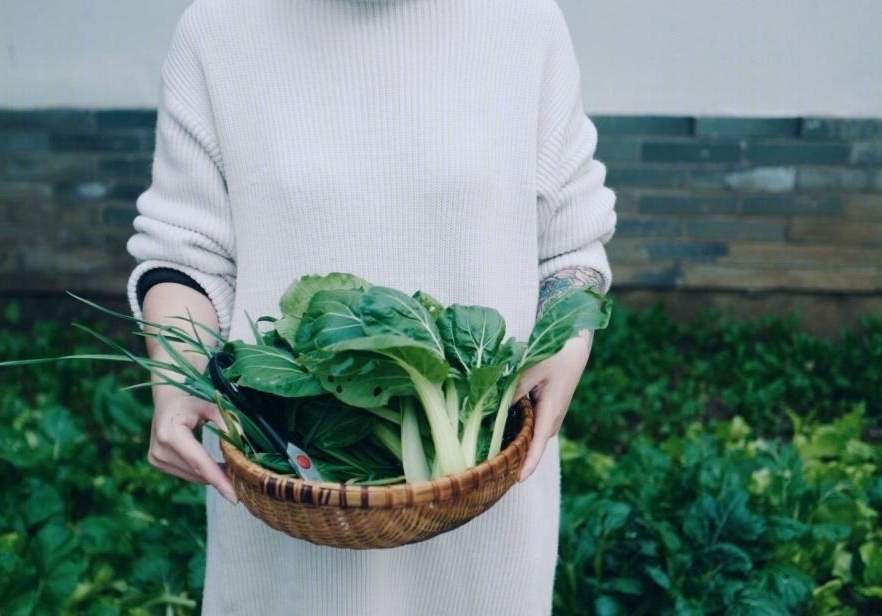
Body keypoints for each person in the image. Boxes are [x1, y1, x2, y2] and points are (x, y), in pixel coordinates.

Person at [126, 0, 617, 613]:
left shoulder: (525, 22)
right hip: (290, 501)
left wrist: (563, 350)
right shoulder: (218, 27)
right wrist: (177, 374)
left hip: (483, 514)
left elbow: (571, 247)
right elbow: (184, 254)